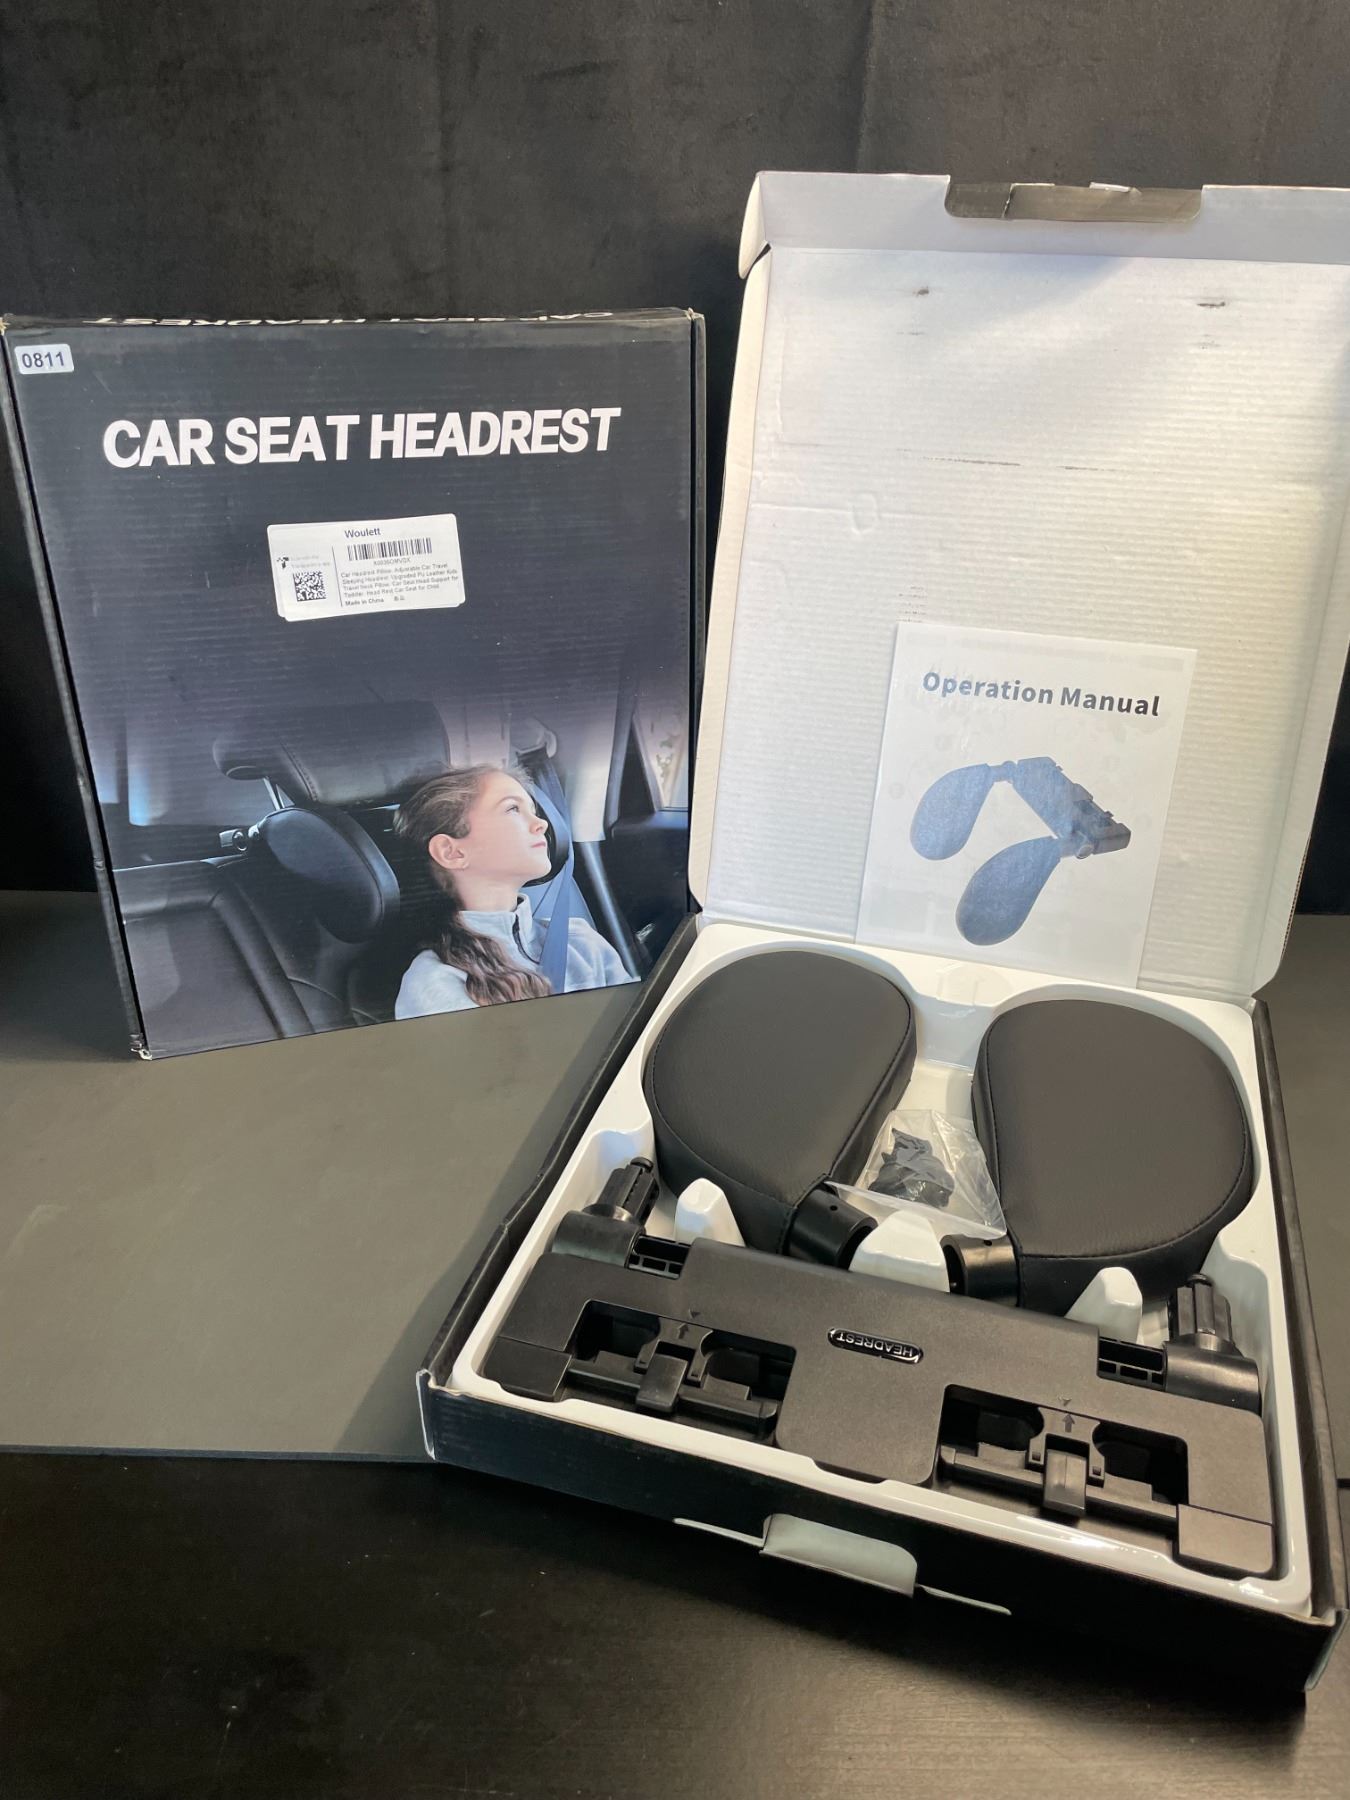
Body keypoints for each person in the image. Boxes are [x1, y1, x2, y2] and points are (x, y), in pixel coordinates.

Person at [393, 765, 636, 1018]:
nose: (541, 823)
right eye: (512, 809)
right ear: (451, 852)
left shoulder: (581, 942)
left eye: (534, 811)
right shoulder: (437, 980)